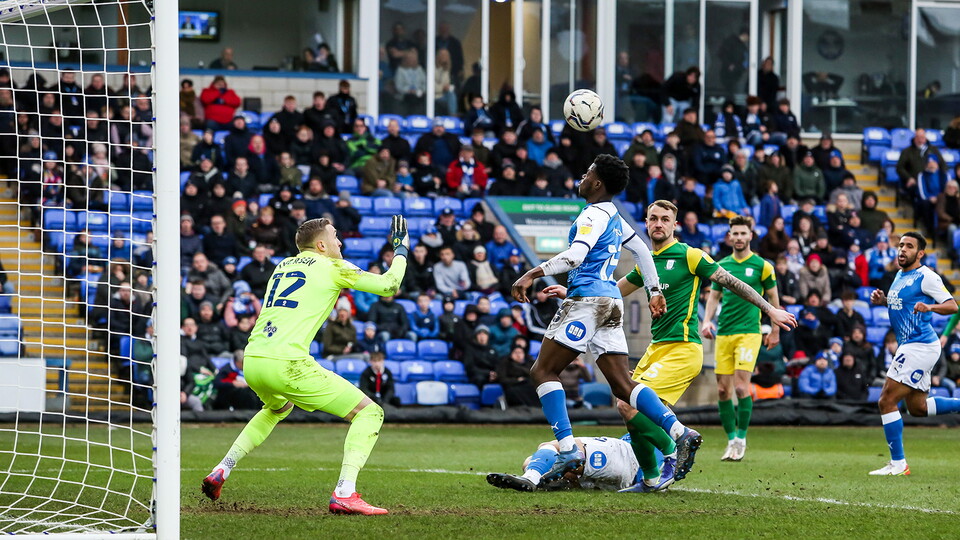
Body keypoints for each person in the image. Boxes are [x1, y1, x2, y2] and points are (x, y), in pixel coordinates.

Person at [506, 154, 701, 495]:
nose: (582, 177)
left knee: (542, 372)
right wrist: (654, 291)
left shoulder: (592, 214)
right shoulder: (615, 214)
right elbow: (641, 249)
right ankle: (680, 433)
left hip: (587, 301)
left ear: (597, 183)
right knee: (623, 386)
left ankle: (567, 451)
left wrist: (532, 273)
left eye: (587, 172)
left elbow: (575, 256)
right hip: (612, 302)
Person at [201, 215, 410, 515]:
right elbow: (390, 285)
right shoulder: (333, 266)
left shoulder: (282, 265)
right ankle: (345, 492)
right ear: (322, 245)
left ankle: (223, 467)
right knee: (370, 413)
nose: (340, 242)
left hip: (254, 359)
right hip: (289, 363)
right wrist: (400, 249)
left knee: (278, 408)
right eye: (335, 236)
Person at [868, 232, 960, 476]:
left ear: (920, 253)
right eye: (900, 245)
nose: (902, 250)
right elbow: (901, 305)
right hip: (911, 345)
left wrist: (930, 306)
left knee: (886, 400)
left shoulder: (927, 276)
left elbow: (953, 305)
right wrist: (884, 300)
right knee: (917, 408)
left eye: (909, 246)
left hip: (919, 345)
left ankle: (898, 463)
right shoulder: (900, 275)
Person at [701, 215, 781, 462]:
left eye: (742, 233)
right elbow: (714, 297)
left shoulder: (763, 266)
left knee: (739, 386)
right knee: (723, 391)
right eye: (734, 233)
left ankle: (741, 438)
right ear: (729, 236)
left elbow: (773, 297)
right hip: (724, 333)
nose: (738, 237)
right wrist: (706, 321)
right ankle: (730, 440)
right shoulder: (721, 264)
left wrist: (775, 328)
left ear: (751, 235)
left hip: (749, 332)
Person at [487, 435, 641, 492]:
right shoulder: (659, 433)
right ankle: (557, 481)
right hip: (628, 482)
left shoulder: (652, 421)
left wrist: (632, 385)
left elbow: (625, 405)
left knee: (552, 446)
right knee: (530, 461)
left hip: (625, 452)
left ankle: (531, 478)